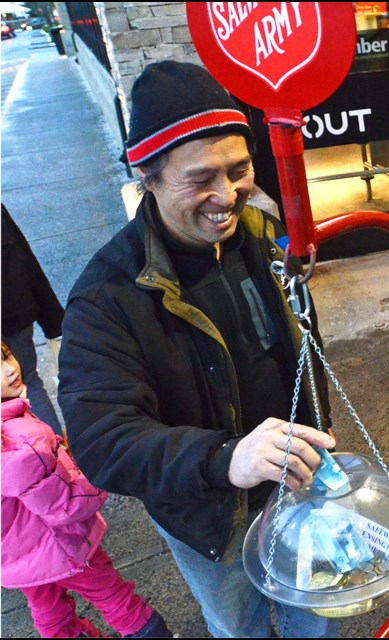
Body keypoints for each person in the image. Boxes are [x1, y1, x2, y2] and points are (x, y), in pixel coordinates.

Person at [57, 61, 337, 638]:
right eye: (199, 178)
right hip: (211, 519)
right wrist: (224, 458)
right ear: (149, 178)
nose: (226, 196)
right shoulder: (107, 295)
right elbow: (102, 439)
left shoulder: (260, 235)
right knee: (243, 626)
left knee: (316, 614)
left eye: (238, 170)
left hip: (300, 482)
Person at [2, 338, 171, 638]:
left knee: (48, 610)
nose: (9, 370)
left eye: (6, 356)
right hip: (62, 545)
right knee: (116, 599)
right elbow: (64, 504)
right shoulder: (24, 440)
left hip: (16, 557)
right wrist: (95, 475)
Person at [2, 203, 65, 434]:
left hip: (13, 312)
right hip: (12, 309)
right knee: (29, 380)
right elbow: (23, 257)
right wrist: (51, 316)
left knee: (27, 380)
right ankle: (58, 458)